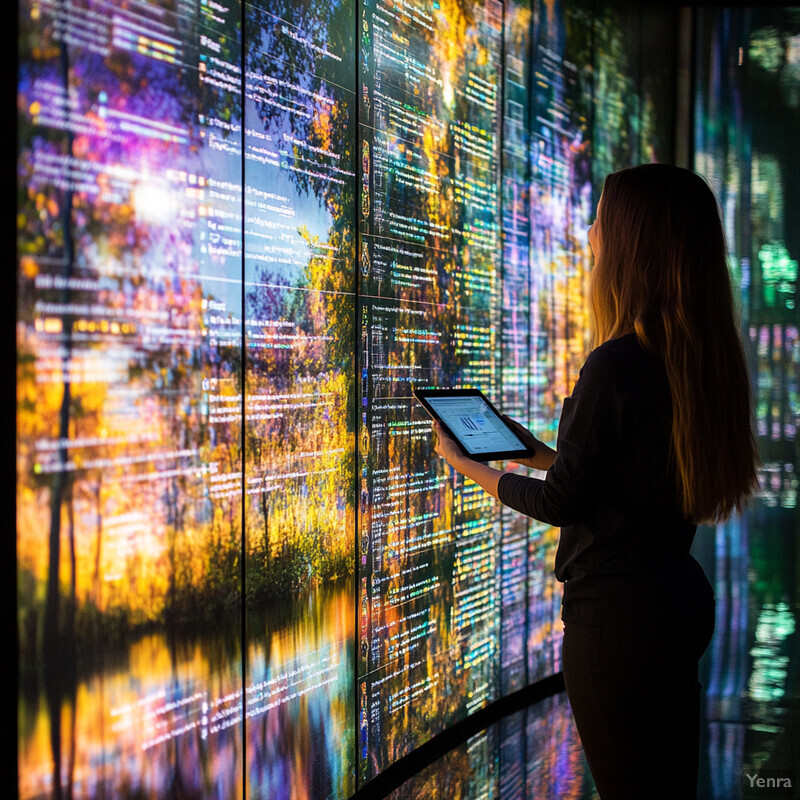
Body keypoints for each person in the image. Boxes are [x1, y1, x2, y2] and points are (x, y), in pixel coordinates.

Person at [431, 163, 759, 799]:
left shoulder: (614, 366)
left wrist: (470, 465)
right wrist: (531, 452)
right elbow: (624, 479)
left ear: (633, 245)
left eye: (601, 222)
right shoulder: (689, 361)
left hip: (615, 626)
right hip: (674, 605)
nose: (588, 236)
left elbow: (565, 501)